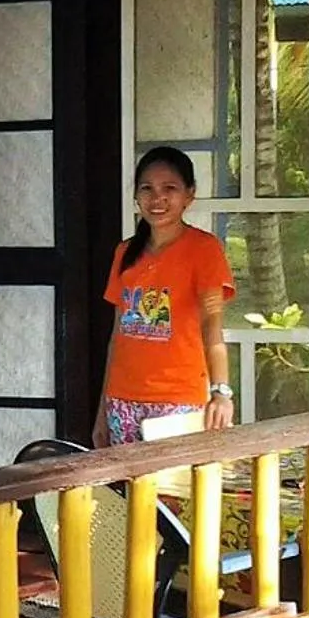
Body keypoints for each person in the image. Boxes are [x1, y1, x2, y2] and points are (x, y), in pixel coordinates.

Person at [93, 146, 236, 446]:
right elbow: (117, 336)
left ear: (189, 195)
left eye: (169, 188)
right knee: (129, 492)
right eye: (147, 188)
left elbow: (212, 325)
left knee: (175, 491)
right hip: (122, 401)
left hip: (178, 401)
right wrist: (102, 411)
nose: (157, 198)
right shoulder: (125, 253)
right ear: (136, 196)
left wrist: (221, 393)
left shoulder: (203, 249)